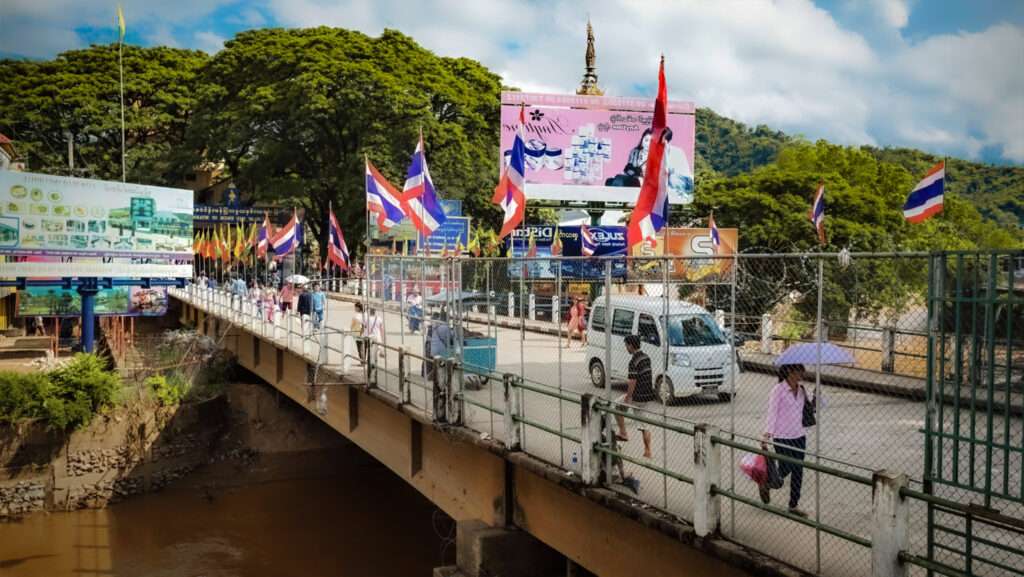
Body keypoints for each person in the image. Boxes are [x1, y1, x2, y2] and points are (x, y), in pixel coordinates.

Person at [760, 363, 815, 517]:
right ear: (790, 371)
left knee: (798, 470)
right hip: (782, 436)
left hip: (799, 435)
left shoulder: (802, 390)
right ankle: (769, 483)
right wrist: (767, 434)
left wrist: (817, 398)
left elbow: (809, 409)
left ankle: (793, 505)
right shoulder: (778, 390)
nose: (802, 374)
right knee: (787, 466)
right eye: (799, 371)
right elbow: (772, 413)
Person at [615, 335, 654, 459]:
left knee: (617, 406)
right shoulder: (646, 357)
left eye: (626, 345)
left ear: (631, 346)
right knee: (643, 423)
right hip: (647, 394)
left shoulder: (633, 362)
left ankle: (623, 433)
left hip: (636, 396)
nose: (626, 348)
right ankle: (647, 450)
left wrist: (628, 397)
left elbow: (632, 381)